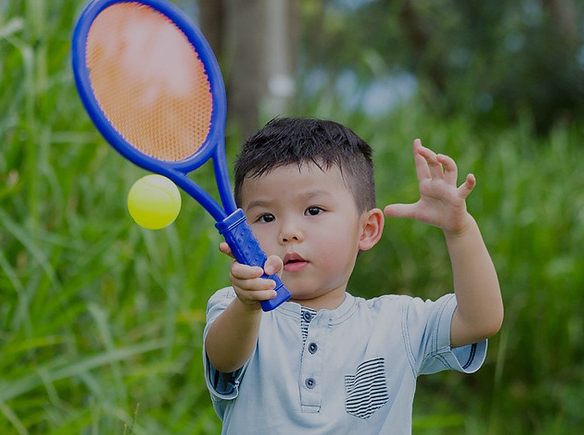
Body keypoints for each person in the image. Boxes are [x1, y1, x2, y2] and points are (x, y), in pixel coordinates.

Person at [202, 117, 503, 433]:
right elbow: (225, 359)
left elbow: (480, 320)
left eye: (313, 211)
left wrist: (459, 230)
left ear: (367, 229)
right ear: (241, 238)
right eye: (266, 217)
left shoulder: (397, 323)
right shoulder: (237, 310)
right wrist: (248, 305)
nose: (288, 232)